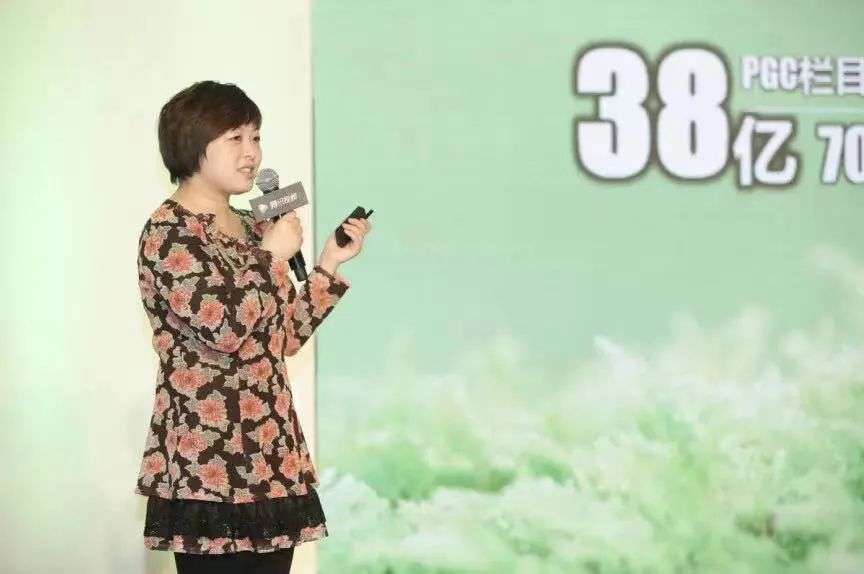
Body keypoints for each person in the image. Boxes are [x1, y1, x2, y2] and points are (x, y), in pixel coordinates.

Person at [134, 80, 371, 573]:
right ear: (192, 145)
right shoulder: (169, 232)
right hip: (208, 461)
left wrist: (328, 262)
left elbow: (283, 337)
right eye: (235, 139)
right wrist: (269, 257)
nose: (252, 153)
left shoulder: (253, 226)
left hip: (271, 452)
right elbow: (223, 329)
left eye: (256, 137)